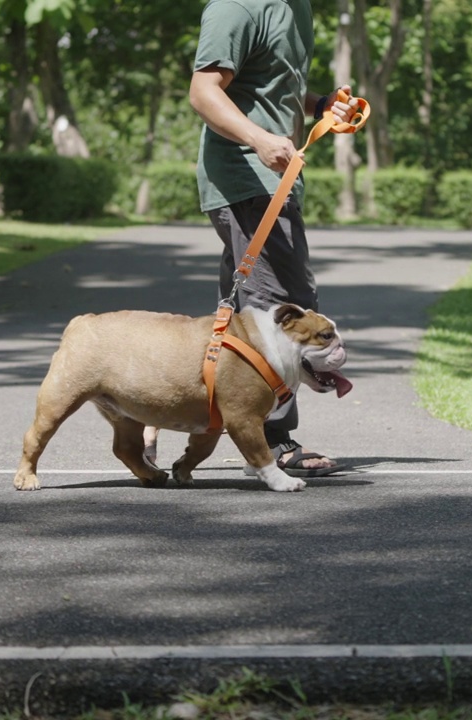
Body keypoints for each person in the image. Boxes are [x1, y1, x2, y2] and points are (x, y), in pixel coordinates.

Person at [186, 0, 358, 477]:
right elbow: (204, 92)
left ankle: (166, 412)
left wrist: (320, 105)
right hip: (247, 179)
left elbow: (270, 87)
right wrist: (260, 139)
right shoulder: (236, 7)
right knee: (280, 307)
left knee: (239, 315)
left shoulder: (296, 7)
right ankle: (272, 442)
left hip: (276, 180)